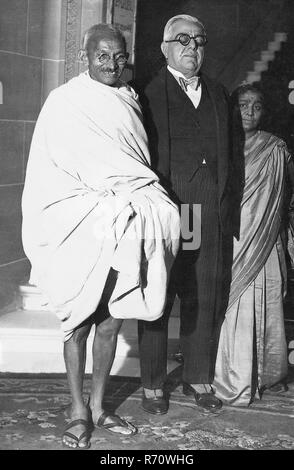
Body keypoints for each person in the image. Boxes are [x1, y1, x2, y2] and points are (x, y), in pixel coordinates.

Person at [21, 24, 180, 449]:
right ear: (84, 58)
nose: (112, 65)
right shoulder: (64, 102)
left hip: (124, 219)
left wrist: (131, 196)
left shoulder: (128, 98)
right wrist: (100, 198)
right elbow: (49, 171)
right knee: (77, 322)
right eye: (102, 57)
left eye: (119, 56)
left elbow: (134, 160)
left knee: (111, 320)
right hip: (81, 221)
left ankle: (98, 405)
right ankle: (76, 409)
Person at [136, 14, 241, 414]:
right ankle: (152, 384)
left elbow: (234, 157)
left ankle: (198, 377)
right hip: (168, 206)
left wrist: (227, 205)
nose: (191, 48)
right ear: (165, 47)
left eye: (199, 40)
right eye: (182, 40)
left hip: (206, 209)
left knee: (203, 293)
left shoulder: (218, 92)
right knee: (159, 293)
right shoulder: (146, 93)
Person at [213, 83, 294, 406]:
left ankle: (266, 374)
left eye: (257, 106)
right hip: (232, 241)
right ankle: (231, 376)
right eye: (243, 105)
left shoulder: (276, 149)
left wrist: (281, 232)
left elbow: (286, 194)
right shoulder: (222, 146)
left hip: (265, 240)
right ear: (233, 109)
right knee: (233, 307)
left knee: (267, 299)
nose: (249, 112)